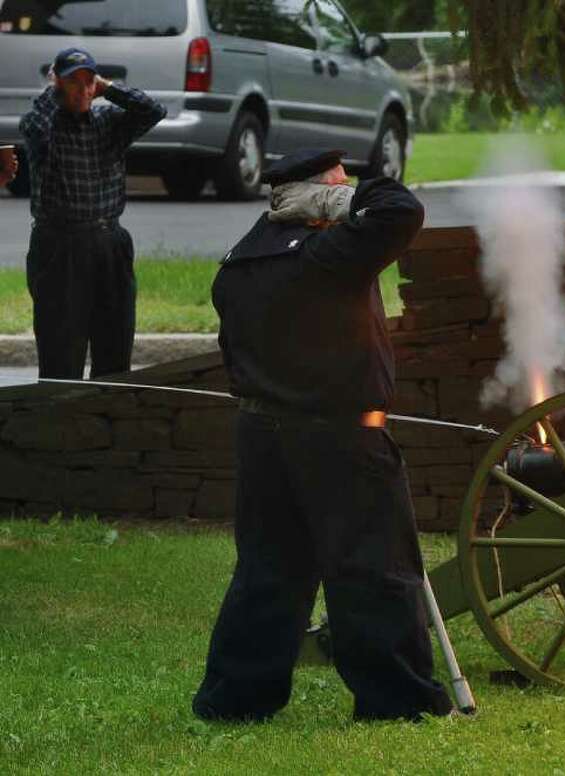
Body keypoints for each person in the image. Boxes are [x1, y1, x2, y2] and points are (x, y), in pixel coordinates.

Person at [193, 150, 452, 723]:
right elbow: (400, 208)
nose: (346, 196)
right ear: (310, 198)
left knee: (268, 572)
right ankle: (397, 700)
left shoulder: (238, 263)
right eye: (336, 187)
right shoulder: (325, 254)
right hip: (342, 438)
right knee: (373, 569)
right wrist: (342, 201)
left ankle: (235, 699)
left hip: (262, 433)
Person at [18, 47, 166, 378]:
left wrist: (107, 88)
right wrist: (54, 89)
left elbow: (154, 111)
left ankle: (108, 421)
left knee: (115, 346)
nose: (83, 88)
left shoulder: (108, 122)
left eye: (88, 80)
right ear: (57, 84)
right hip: (60, 246)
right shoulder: (44, 125)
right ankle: (59, 423)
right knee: (61, 350)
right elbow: (34, 129)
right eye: (74, 81)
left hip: (109, 243)